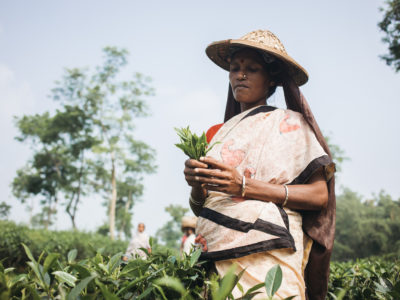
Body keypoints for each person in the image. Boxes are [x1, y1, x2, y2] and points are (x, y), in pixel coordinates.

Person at [183, 30, 336, 300]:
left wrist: (244, 185)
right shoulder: (215, 134)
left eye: (251, 69)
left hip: (269, 255)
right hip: (215, 255)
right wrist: (196, 187)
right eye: (234, 68)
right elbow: (202, 207)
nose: (240, 75)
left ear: (272, 79)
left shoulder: (290, 125)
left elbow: (319, 195)